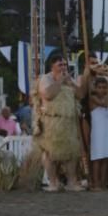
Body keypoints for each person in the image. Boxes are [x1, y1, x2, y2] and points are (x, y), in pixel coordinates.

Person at [33, 53, 84, 192]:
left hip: (68, 122)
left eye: (65, 65)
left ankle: (72, 182)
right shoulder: (46, 78)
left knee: (71, 152)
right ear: (52, 66)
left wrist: (71, 82)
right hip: (51, 121)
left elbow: (80, 95)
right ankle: (53, 182)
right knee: (50, 152)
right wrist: (59, 81)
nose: (63, 67)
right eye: (60, 64)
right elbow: (48, 95)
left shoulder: (69, 78)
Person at [89, 77, 108, 191]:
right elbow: (104, 104)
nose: (102, 90)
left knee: (105, 158)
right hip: (97, 132)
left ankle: (104, 183)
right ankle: (96, 183)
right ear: (95, 88)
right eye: (99, 87)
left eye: (104, 87)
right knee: (97, 158)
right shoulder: (93, 98)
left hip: (107, 130)